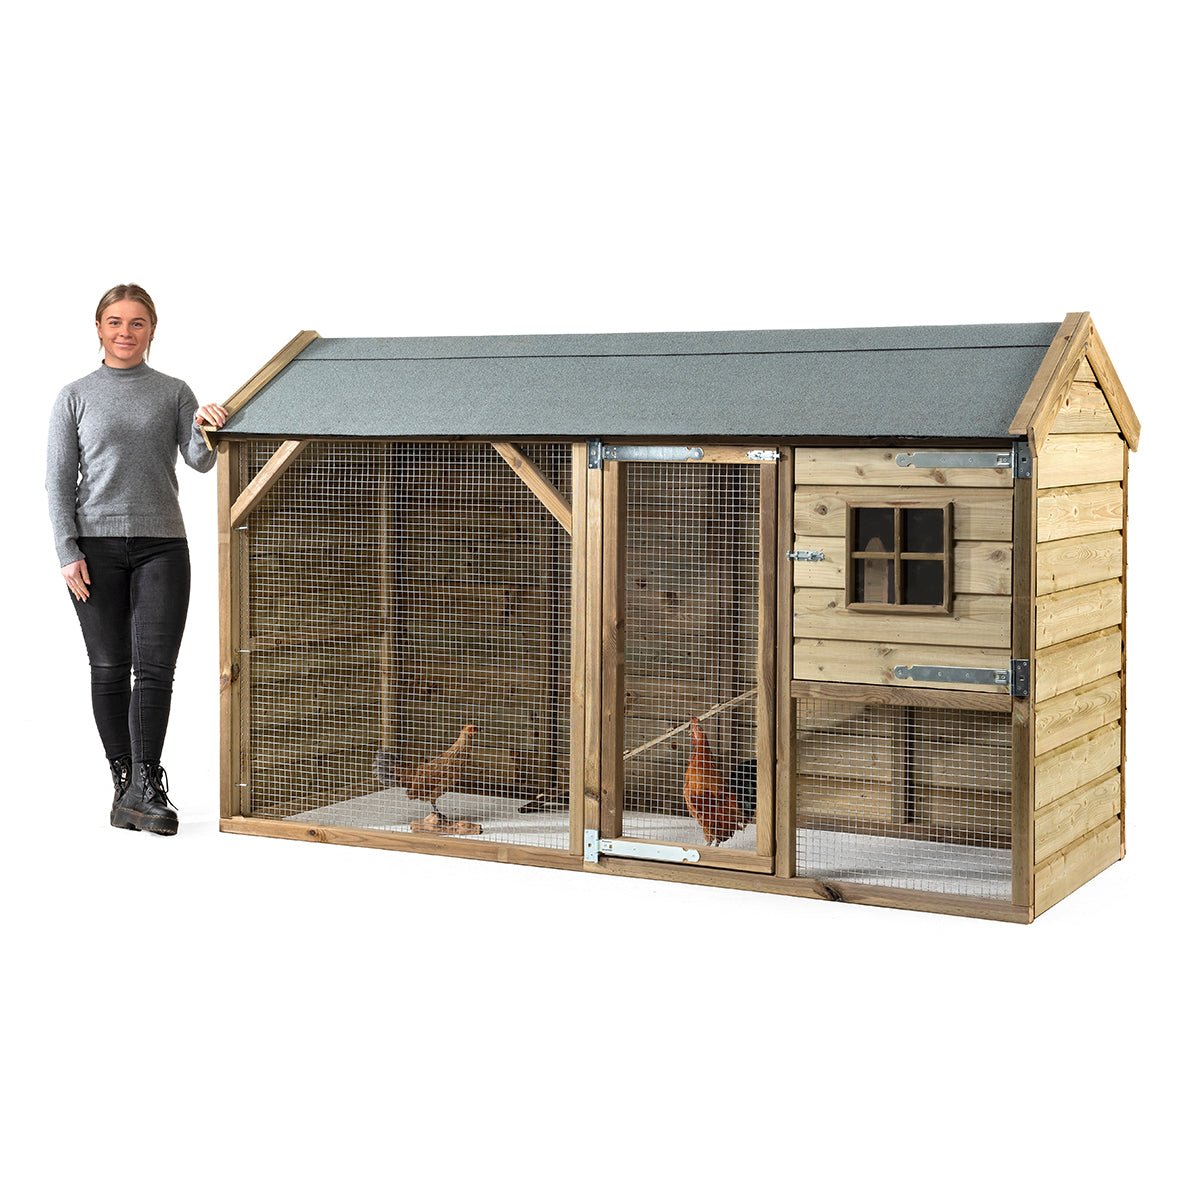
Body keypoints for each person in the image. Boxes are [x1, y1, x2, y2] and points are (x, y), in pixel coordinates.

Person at [46, 284, 229, 835]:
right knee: (108, 666)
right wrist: (67, 551)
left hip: (162, 545)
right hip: (94, 547)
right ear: (99, 328)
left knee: (155, 669)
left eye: (137, 323)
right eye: (115, 322)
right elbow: (57, 481)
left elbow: (199, 461)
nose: (126, 332)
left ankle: (146, 785)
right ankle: (125, 786)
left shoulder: (173, 391)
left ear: (152, 329)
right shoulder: (75, 396)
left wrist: (207, 425)